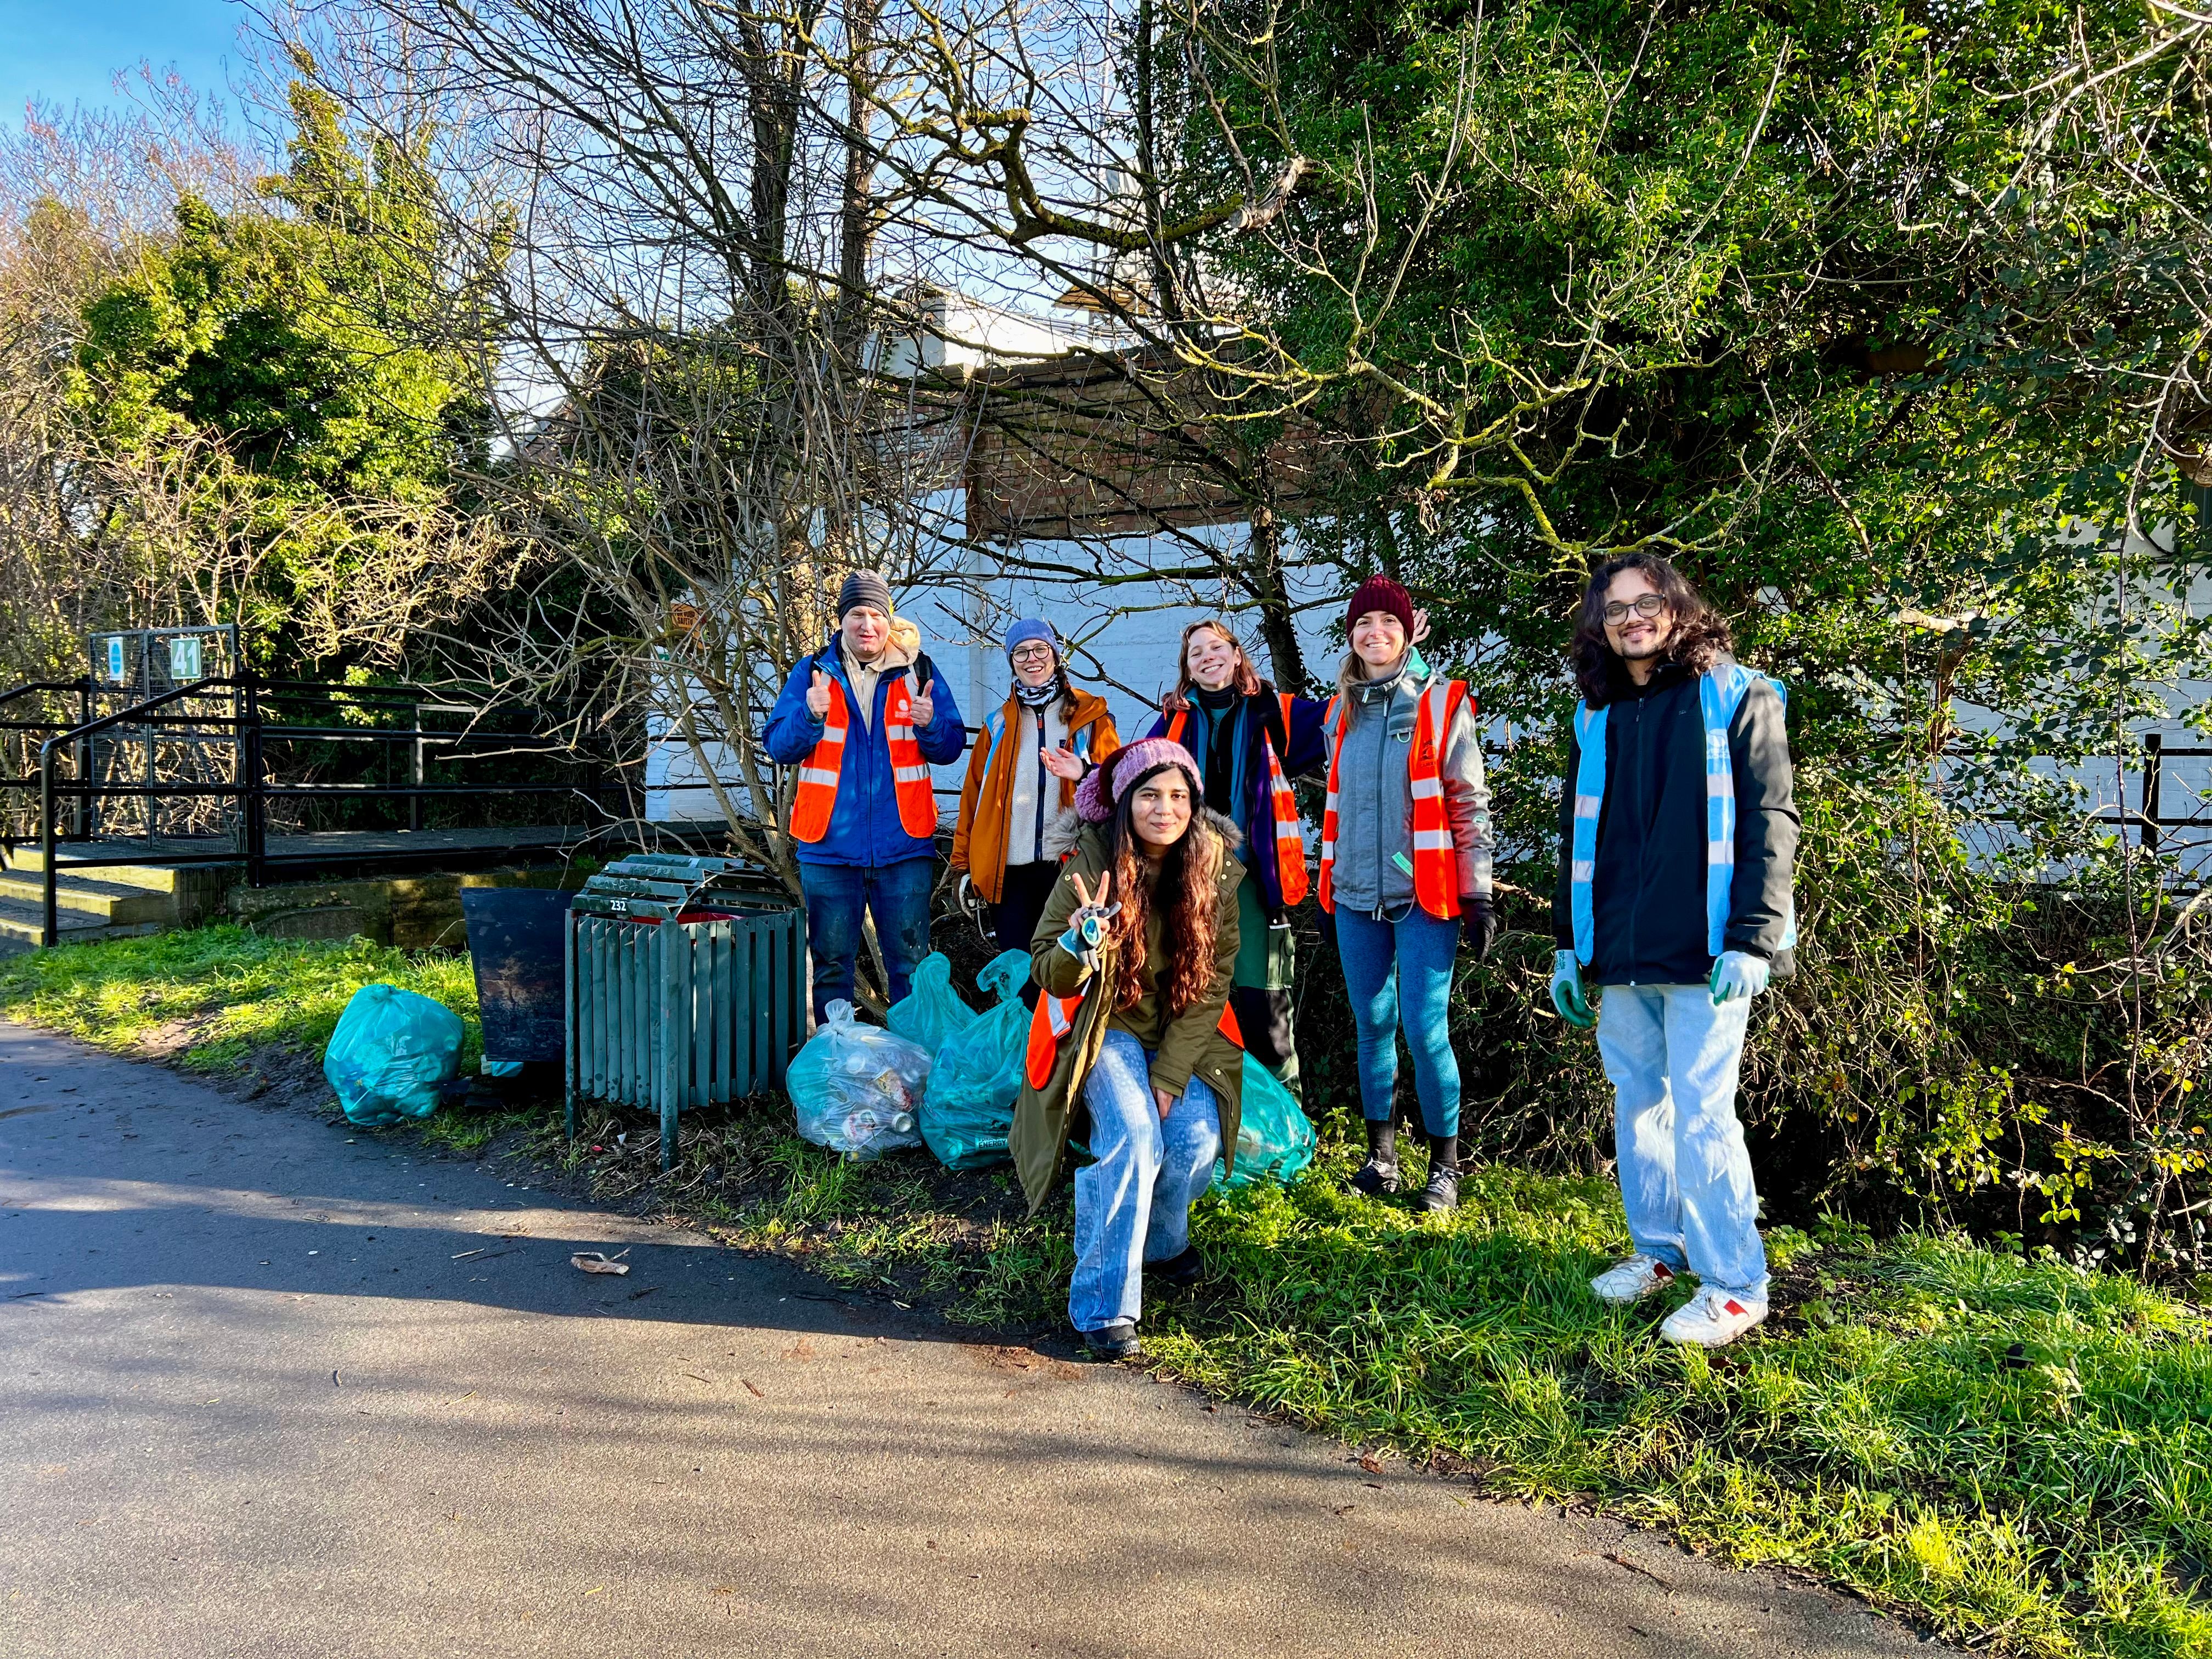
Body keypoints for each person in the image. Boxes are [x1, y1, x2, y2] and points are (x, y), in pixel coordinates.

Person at [1550, 552, 1799, 1348]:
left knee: (1703, 1113)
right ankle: (1661, 1253)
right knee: (1639, 1104)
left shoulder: (1739, 694)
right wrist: (1567, 945)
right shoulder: (1596, 715)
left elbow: (1771, 820)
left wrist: (1755, 938)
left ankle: (1735, 1282)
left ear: (1677, 608)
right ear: (1600, 624)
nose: (1631, 617)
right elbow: (1576, 841)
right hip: (1621, 950)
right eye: (1614, 607)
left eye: (1646, 601)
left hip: (1708, 953)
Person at [1008, 738, 1248, 1362]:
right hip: (1103, 1025)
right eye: (1149, 795)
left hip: (1179, 1030)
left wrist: (1169, 1076)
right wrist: (1082, 945)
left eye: (1177, 797)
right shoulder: (1090, 862)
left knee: (1194, 1138)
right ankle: (1103, 1306)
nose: (1164, 809)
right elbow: (1045, 971)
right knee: (1135, 1137)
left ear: (1193, 805)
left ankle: (1161, 1244)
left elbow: (1213, 983)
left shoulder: (1215, 867)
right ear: (1124, 803)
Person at [1317, 577, 1496, 1212]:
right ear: (1351, 637)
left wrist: (1478, 893)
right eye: (1363, 625)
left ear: (1408, 630)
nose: (1375, 634)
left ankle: (1444, 1168)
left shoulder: (1441, 703)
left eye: (1386, 624)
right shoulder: (1340, 709)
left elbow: (1468, 803)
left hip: (1426, 894)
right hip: (1355, 893)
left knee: (1424, 1030)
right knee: (1372, 1026)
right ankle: (1381, 1160)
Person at [764, 571, 967, 1022]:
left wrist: (930, 723)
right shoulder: (813, 671)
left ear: (888, 620)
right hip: (829, 851)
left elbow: (951, 747)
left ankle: (910, 1077)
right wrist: (809, 715)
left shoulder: (920, 671)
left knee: (910, 969)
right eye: (857, 614)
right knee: (832, 969)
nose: (867, 624)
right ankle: (838, 1072)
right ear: (841, 621)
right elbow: (778, 745)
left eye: (877, 614)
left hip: (904, 848)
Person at [1144, 618, 1327, 1090]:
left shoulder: (1271, 708)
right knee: (1194, 993)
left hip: (1255, 878)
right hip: (1191, 876)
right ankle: (1221, 1111)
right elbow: (1136, 770)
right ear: (1187, 668)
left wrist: (1394, 658)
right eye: (1196, 653)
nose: (1207, 657)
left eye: (1215, 647)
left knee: (1263, 999)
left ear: (1236, 653)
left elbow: (1340, 718)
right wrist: (1084, 768)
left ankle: (1286, 1114)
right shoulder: (1175, 721)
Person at [949, 619, 1122, 997]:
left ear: (1056, 657)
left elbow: (1120, 786)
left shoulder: (1091, 718)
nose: (1032, 659)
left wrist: (1085, 771)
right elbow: (973, 798)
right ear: (1012, 662)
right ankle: (1026, 1054)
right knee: (1021, 977)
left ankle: (1068, 1053)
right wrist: (963, 867)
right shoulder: (997, 724)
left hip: (1071, 868)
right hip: (1009, 873)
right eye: (1021, 653)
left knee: (1071, 972)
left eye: (1040, 650)